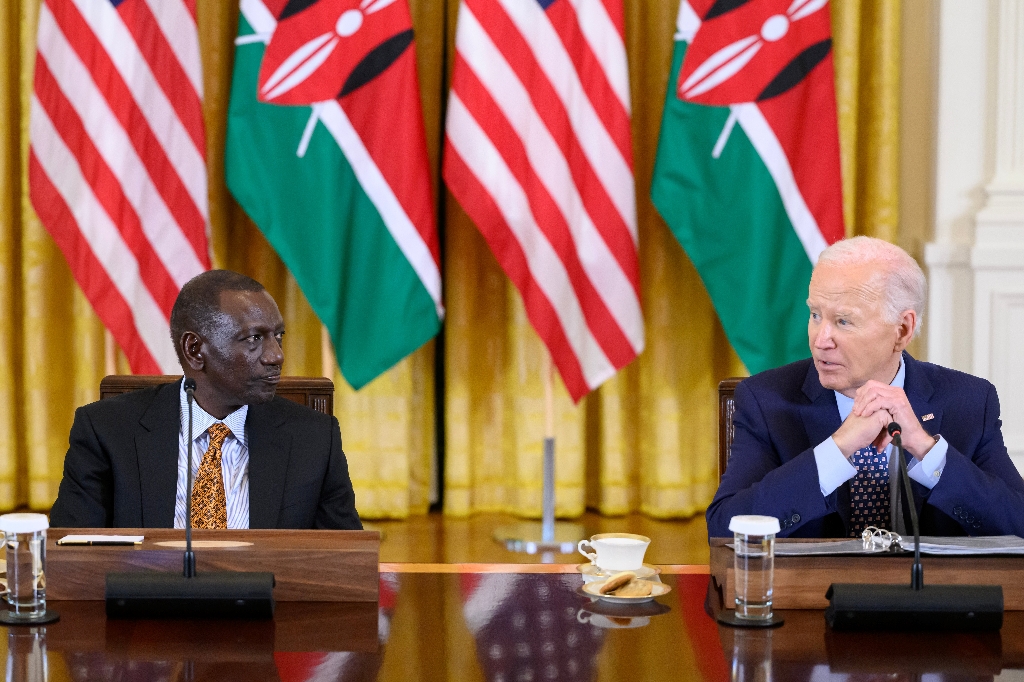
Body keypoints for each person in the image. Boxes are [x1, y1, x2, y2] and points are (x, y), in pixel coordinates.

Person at [707, 237, 1024, 538]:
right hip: (811, 594)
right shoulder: (767, 402)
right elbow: (725, 528)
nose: (820, 340)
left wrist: (927, 450)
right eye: (815, 315)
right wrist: (837, 448)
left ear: (902, 329)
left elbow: (1018, 523)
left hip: (931, 593)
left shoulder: (968, 402)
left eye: (843, 321)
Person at [49, 270, 361, 530]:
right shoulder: (106, 432)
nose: (276, 355)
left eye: (277, 337)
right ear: (195, 350)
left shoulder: (314, 439)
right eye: (254, 338)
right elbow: (71, 555)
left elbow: (346, 565)